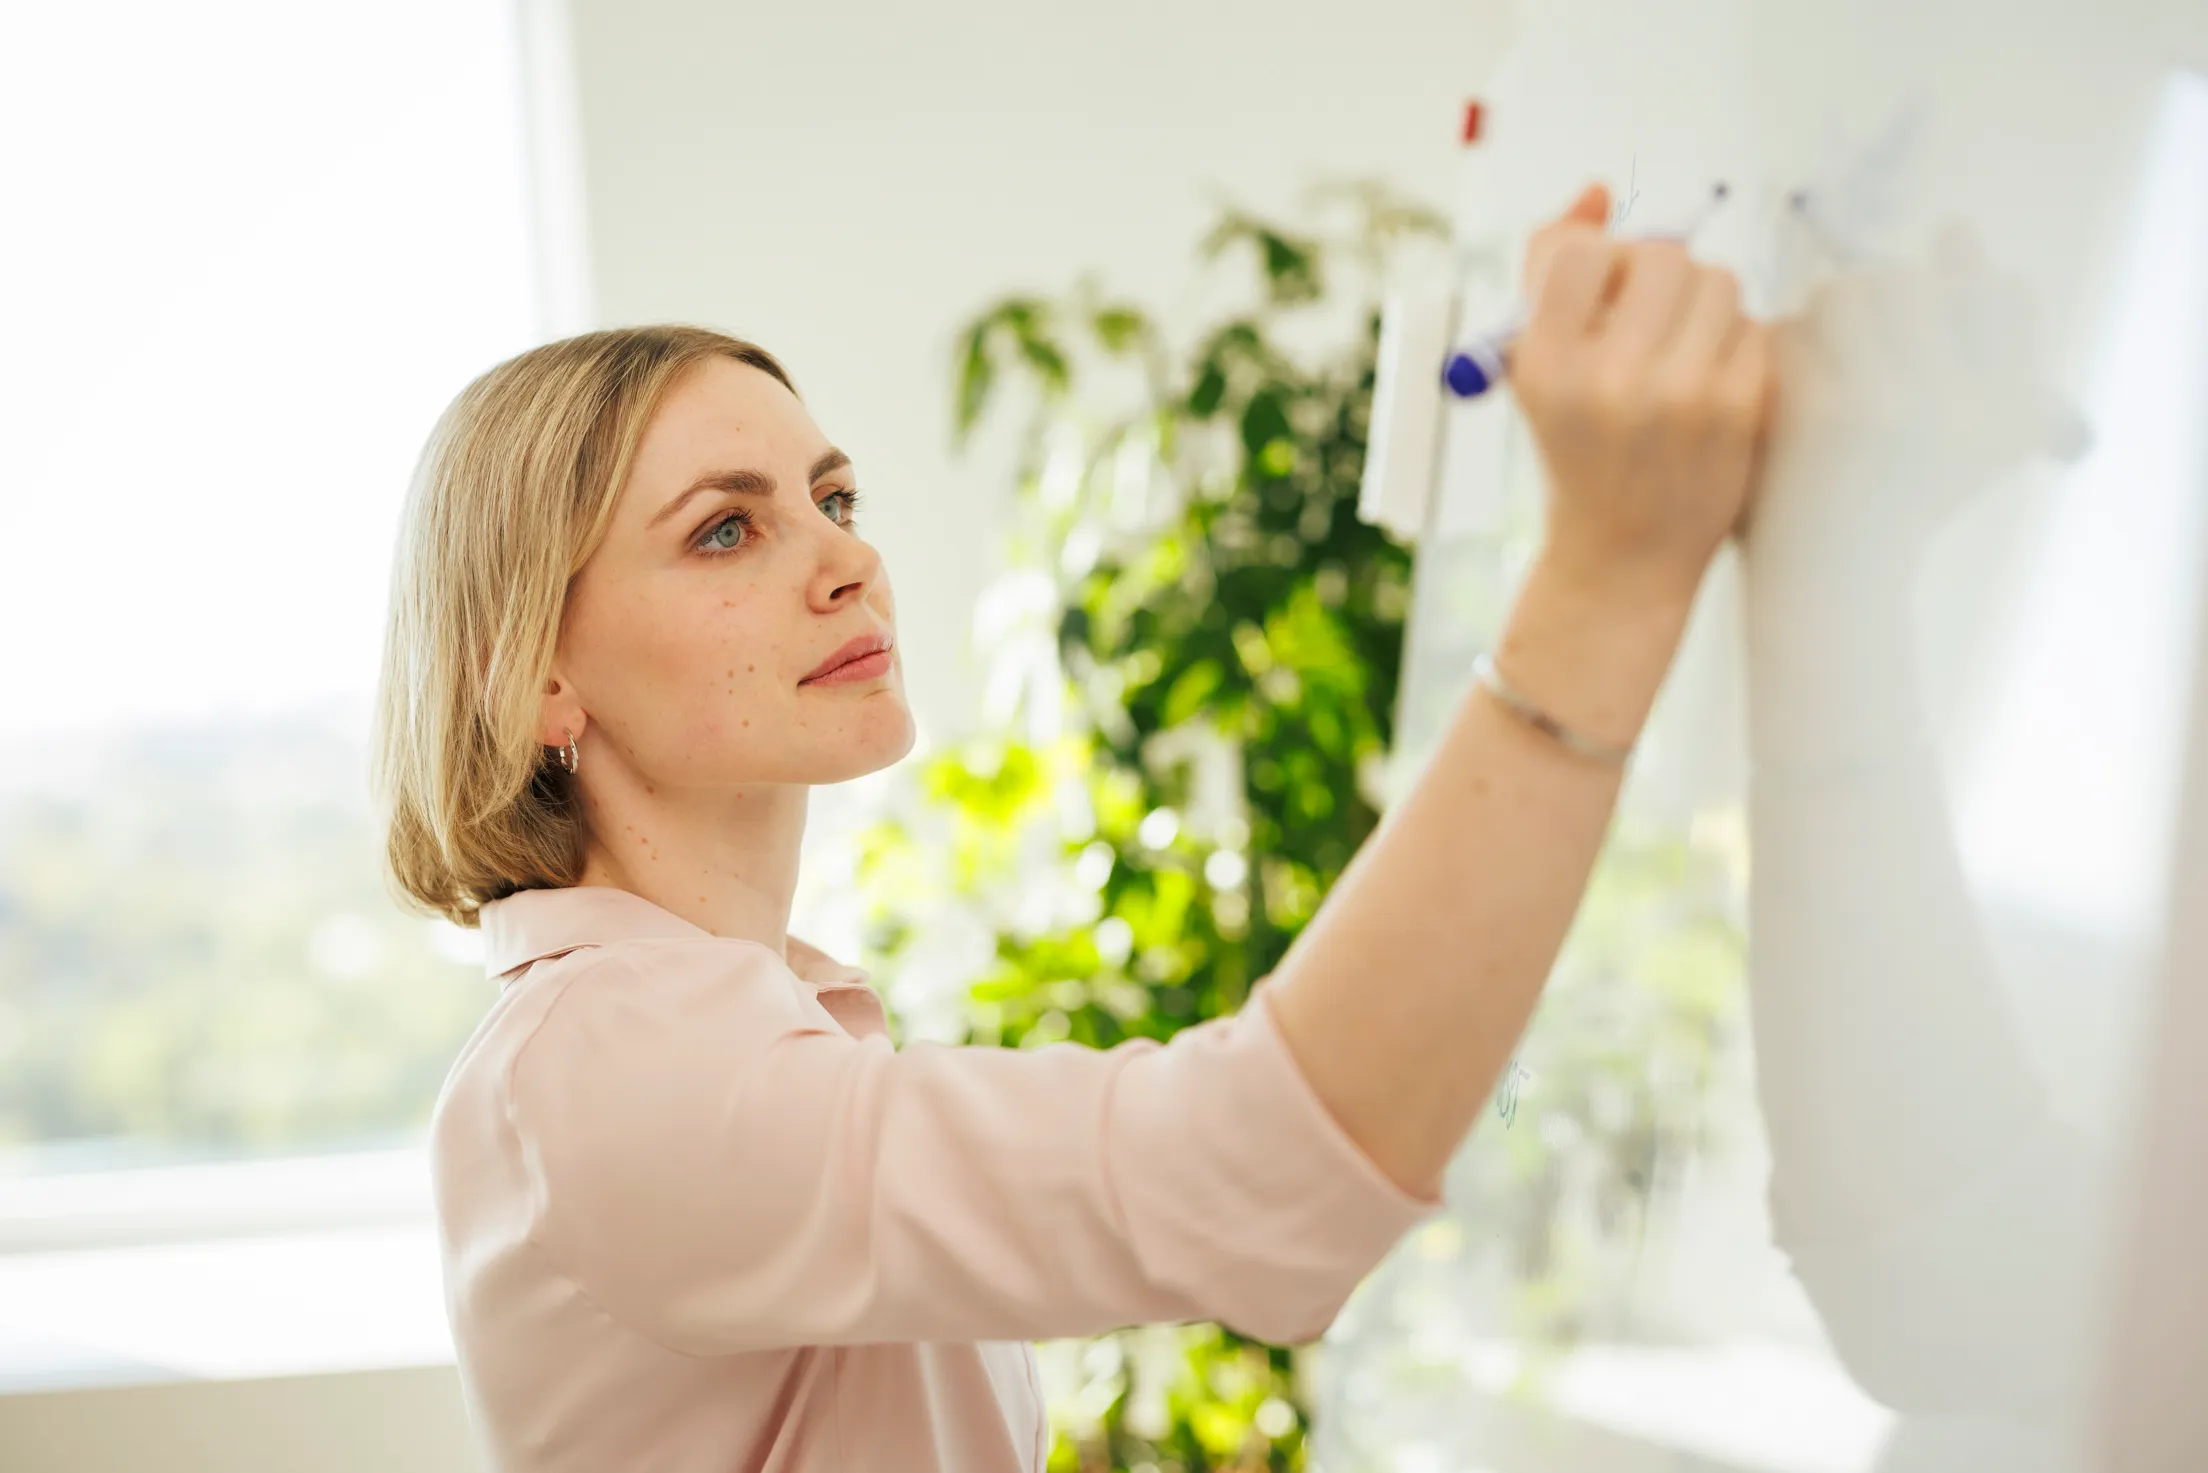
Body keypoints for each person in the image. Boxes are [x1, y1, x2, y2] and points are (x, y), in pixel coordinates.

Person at [369, 178, 1773, 1472]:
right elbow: (1260, 1173)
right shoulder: (603, 1067)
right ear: (537, 677)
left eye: (834, 498)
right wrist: (1610, 570)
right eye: (726, 530)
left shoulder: (741, 1019)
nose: (850, 559)